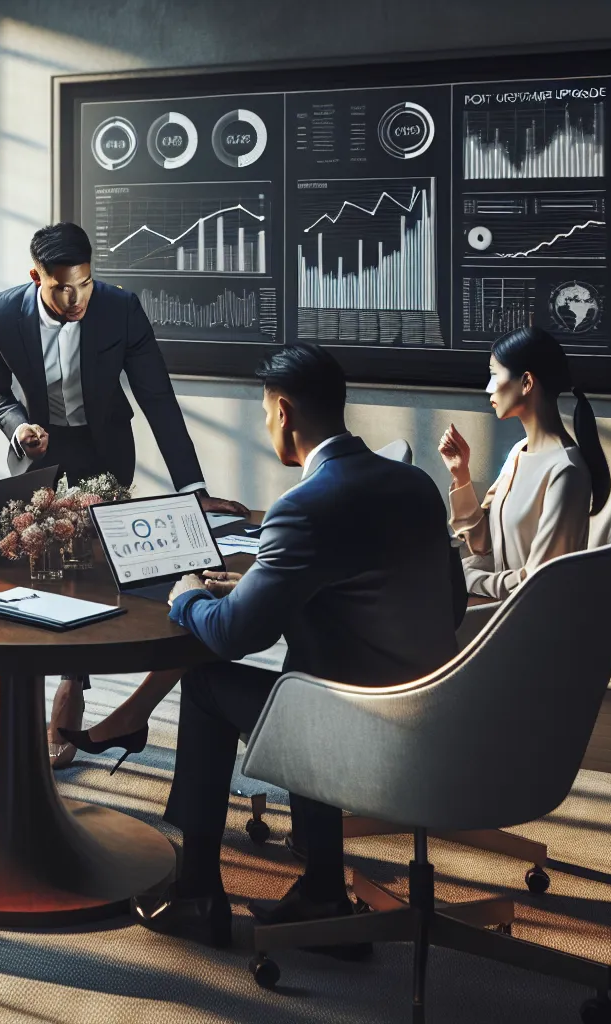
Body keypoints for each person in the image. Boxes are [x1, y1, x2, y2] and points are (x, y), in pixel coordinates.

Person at [134, 343, 463, 951]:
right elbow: (450, 601)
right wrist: (261, 590)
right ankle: (321, 892)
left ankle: (199, 895)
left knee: (206, 683)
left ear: (283, 412)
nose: (267, 425)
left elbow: (236, 635)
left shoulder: (305, 506)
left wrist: (188, 596)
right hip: (430, 709)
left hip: (357, 728)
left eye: (265, 413)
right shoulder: (415, 484)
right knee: (306, 669)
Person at [0, 222, 249, 766]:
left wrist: (193, 490)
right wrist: (17, 426)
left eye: (85, 283)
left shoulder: (121, 309)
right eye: (62, 288)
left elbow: (157, 399)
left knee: (94, 573)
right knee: (41, 574)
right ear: (36, 277)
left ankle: (72, 684)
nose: (76, 298)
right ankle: (41, 690)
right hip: (39, 454)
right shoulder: (1, 313)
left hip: (103, 453)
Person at [438, 325, 611, 599]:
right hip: (499, 605)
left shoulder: (566, 471)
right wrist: (461, 476)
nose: (488, 388)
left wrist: (468, 578)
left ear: (527, 382)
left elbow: (539, 581)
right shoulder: (520, 451)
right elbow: (484, 544)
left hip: (527, 617)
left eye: (494, 375)